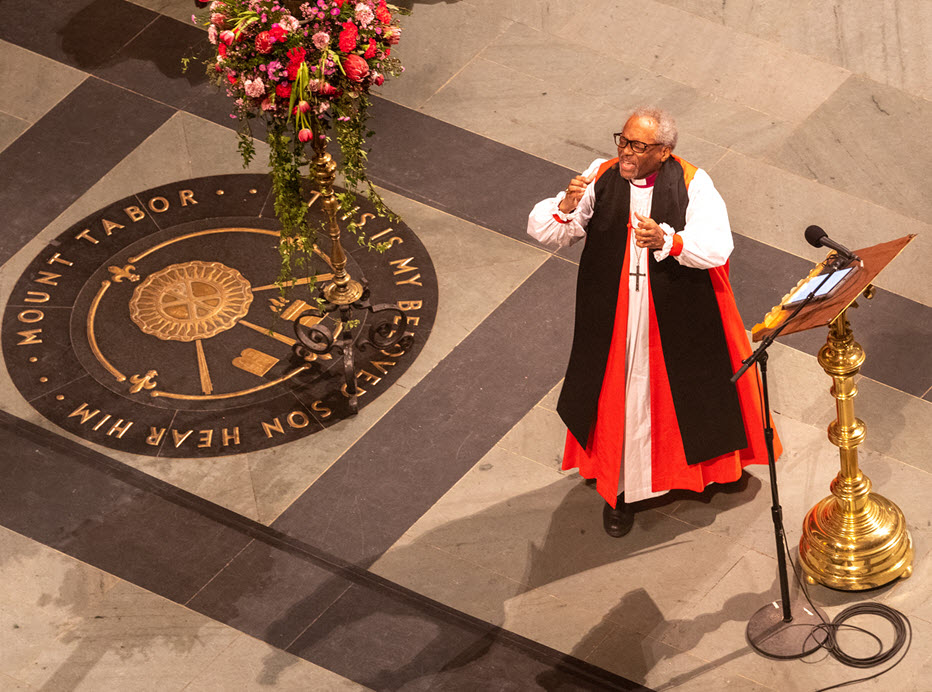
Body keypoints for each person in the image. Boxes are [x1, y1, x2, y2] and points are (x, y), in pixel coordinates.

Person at [527, 107, 779, 537]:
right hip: (613, 314)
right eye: (622, 141)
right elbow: (547, 233)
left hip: (678, 312)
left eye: (638, 146)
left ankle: (708, 470)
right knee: (621, 400)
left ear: (663, 152)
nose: (625, 152)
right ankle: (621, 491)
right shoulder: (600, 174)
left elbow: (718, 247)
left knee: (689, 394)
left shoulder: (694, 183)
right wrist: (567, 205)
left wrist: (669, 240)